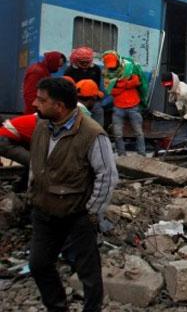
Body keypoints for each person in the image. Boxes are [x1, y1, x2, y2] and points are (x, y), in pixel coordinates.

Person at [28, 77, 118, 312]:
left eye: (41, 100)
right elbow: (37, 164)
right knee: (38, 265)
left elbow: (107, 176)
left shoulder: (91, 133)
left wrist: (91, 212)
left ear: (59, 106)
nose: (35, 103)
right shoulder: (41, 127)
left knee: (88, 271)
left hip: (77, 214)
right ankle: (57, 307)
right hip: (44, 211)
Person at [102, 50, 148, 156]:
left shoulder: (129, 67)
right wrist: (127, 84)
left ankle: (142, 154)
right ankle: (121, 155)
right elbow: (111, 91)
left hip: (133, 105)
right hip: (118, 107)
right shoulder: (106, 73)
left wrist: (119, 85)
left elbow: (136, 81)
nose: (112, 67)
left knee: (139, 132)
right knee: (117, 134)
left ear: (118, 60)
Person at [65, 47, 104, 126]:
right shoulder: (70, 70)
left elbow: (97, 85)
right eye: (82, 62)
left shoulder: (96, 69)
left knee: (98, 111)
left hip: (92, 98)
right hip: (77, 99)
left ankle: (98, 132)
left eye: (87, 62)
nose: (85, 64)